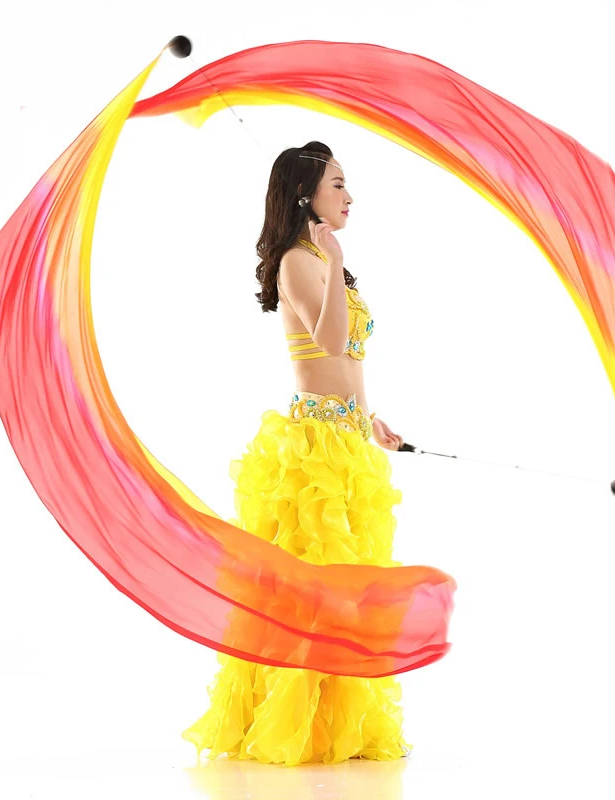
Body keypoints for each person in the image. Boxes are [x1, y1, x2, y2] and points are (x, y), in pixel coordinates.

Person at [182, 141, 411, 766]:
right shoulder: (297, 263)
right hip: (314, 453)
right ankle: (293, 727)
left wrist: (368, 418)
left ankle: (338, 725)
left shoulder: (322, 260)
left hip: (349, 441)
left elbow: (347, 359)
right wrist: (334, 262)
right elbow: (329, 340)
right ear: (306, 195)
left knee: (348, 589)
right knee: (313, 589)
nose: (349, 195)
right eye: (338, 184)